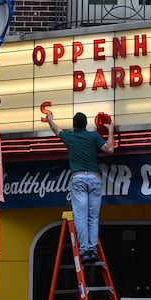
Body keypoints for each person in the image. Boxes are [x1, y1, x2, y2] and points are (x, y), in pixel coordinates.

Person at [46, 111, 114, 264]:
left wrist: (50, 119)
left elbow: (56, 130)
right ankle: (93, 250)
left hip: (78, 179)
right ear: (85, 124)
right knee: (93, 217)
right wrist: (110, 130)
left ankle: (84, 251)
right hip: (95, 178)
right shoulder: (93, 136)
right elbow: (110, 149)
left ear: (74, 124)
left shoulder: (70, 137)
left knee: (80, 216)